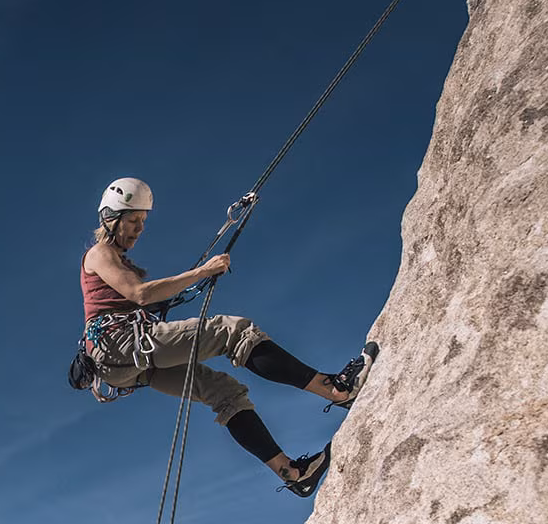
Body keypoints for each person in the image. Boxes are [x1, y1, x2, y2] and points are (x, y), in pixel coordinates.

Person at [79, 177, 376, 497]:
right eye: (133, 220)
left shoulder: (116, 260)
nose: (139, 229)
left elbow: (138, 298)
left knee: (225, 392)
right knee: (232, 331)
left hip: (120, 361)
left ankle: (292, 473)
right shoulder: (100, 253)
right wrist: (203, 272)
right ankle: (335, 388)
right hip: (121, 345)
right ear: (110, 218)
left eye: (142, 222)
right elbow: (139, 294)